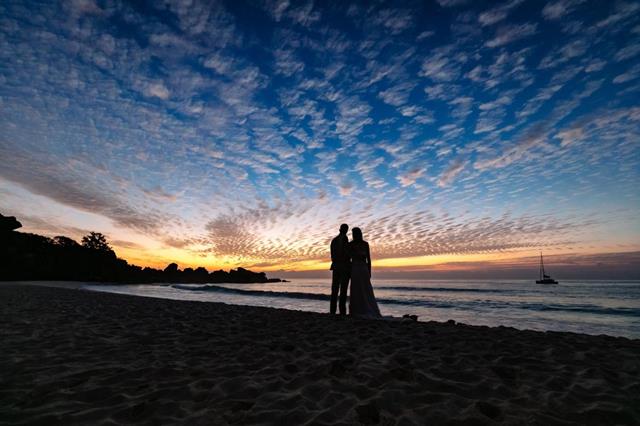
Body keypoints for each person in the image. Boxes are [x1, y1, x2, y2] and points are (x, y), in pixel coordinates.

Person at [348, 227, 381, 318]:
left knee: (366, 288)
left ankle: (366, 308)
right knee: (356, 289)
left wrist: (369, 271)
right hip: (354, 268)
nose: (354, 235)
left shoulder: (365, 244)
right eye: (353, 233)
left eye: (355, 233)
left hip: (363, 268)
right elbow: (348, 258)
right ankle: (356, 309)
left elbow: (369, 259)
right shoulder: (350, 244)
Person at [329, 224, 351, 315]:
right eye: (345, 229)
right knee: (342, 290)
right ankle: (341, 312)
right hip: (343, 267)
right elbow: (346, 254)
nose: (345, 231)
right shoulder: (344, 239)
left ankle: (333, 311)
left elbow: (332, 255)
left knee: (335, 289)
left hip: (336, 266)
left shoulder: (334, 240)